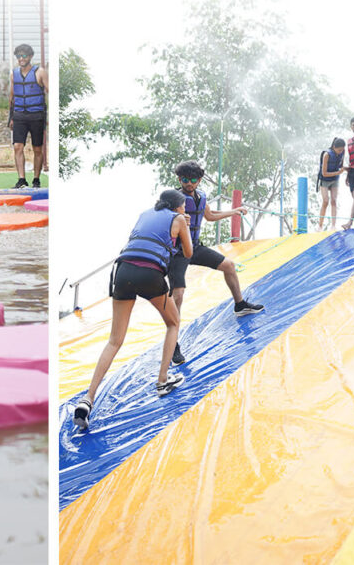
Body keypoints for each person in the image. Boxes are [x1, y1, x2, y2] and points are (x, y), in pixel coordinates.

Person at [72, 189, 193, 430]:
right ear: (177, 207)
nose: (185, 211)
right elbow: (188, 253)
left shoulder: (144, 214)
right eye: (184, 207)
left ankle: (88, 398)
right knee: (173, 322)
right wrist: (183, 228)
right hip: (150, 274)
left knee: (115, 340)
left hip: (123, 271)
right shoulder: (179, 219)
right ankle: (162, 381)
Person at [169, 161, 263, 333]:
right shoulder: (173, 198)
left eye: (192, 179)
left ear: (199, 181)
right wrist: (175, 219)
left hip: (194, 247)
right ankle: (173, 340)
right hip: (176, 252)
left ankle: (240, 305)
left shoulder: (200, 197)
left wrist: (234, 211)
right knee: (178, 295)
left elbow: (210, 216)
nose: (188, 183)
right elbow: (162, 218)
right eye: (184, 179)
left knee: (229, 265)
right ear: (179, 179)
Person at [9, 43, 48, 189]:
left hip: (36, 115)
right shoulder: (14, 74)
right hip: (19, 115)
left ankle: (36, 179)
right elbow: (12, 97)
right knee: (18, 146)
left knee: (37, 148)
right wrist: (11, 117)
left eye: (24, 55)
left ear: (30, 56)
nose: (21, 58)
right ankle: (21, 180)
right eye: (18, 56)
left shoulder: (40, 72)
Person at [317, 138, 347, 231]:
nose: (340, 152)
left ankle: (333, 225)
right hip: (325, 180)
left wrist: (344, 169)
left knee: (334, 200)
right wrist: (338, 173)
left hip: (335, 180)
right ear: (334, 147)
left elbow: (341, 165)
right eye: (339, 150)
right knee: (326, 201)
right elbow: (324, 173)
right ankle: (320, 226)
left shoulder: (342, 151)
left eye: (342, 150)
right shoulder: (327, 155)